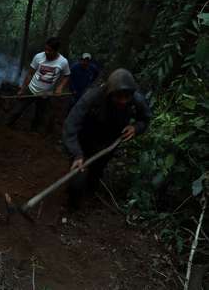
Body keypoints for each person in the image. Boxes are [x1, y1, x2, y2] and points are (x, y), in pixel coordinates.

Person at [62, 68, 152, 209]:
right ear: (109, 93)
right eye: (119, 97)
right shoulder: (92, 97)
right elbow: (70, 125)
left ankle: (89, 194)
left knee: (97, 172)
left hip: (109, 143)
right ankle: (72, 205)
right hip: (85, 141)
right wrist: (76, 153)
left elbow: (145, 119)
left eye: (126, 97)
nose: (123, 101)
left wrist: (135, 127)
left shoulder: (136, 99)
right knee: (77, 179)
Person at [6, 37, 70, 131]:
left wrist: (60, 87)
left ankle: (33, 133)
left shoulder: (63, 62)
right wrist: (22, 89)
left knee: (39, 115)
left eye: (50, 50)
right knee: (17, 110)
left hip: (45, 94)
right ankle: (6, 126)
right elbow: (30, 73)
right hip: (31, 89)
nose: (47, 52)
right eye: (46, 49)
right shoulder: (39, 56)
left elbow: (67, 75)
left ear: (56, 50)